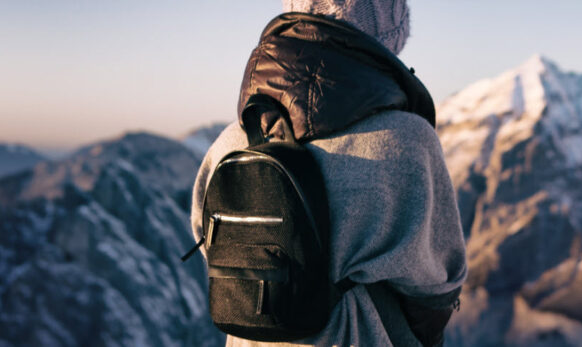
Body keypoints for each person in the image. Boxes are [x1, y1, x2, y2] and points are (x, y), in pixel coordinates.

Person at [189, 1, 468, 346]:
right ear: (385, 35)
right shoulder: (405, 141)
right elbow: (438, 281)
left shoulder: (233, 141)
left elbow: (209, 241)